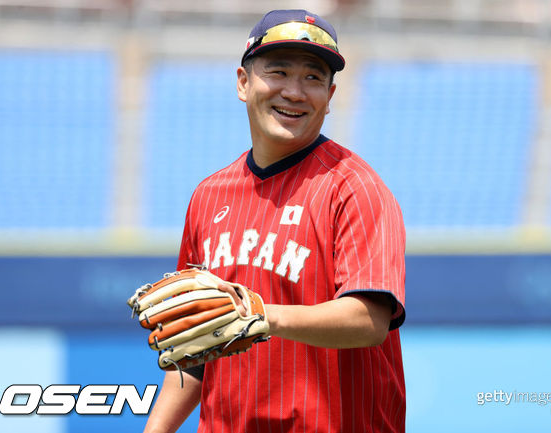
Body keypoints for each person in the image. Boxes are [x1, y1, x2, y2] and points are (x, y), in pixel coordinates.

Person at [144, 9, 406, 433]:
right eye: (278, 72)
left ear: (331, 94)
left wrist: (263, 316)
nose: (295, 92)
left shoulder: (354, 188)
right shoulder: (209, 196)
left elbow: (369, 321)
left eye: (313, 78)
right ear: (243, 83)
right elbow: (194, 346)